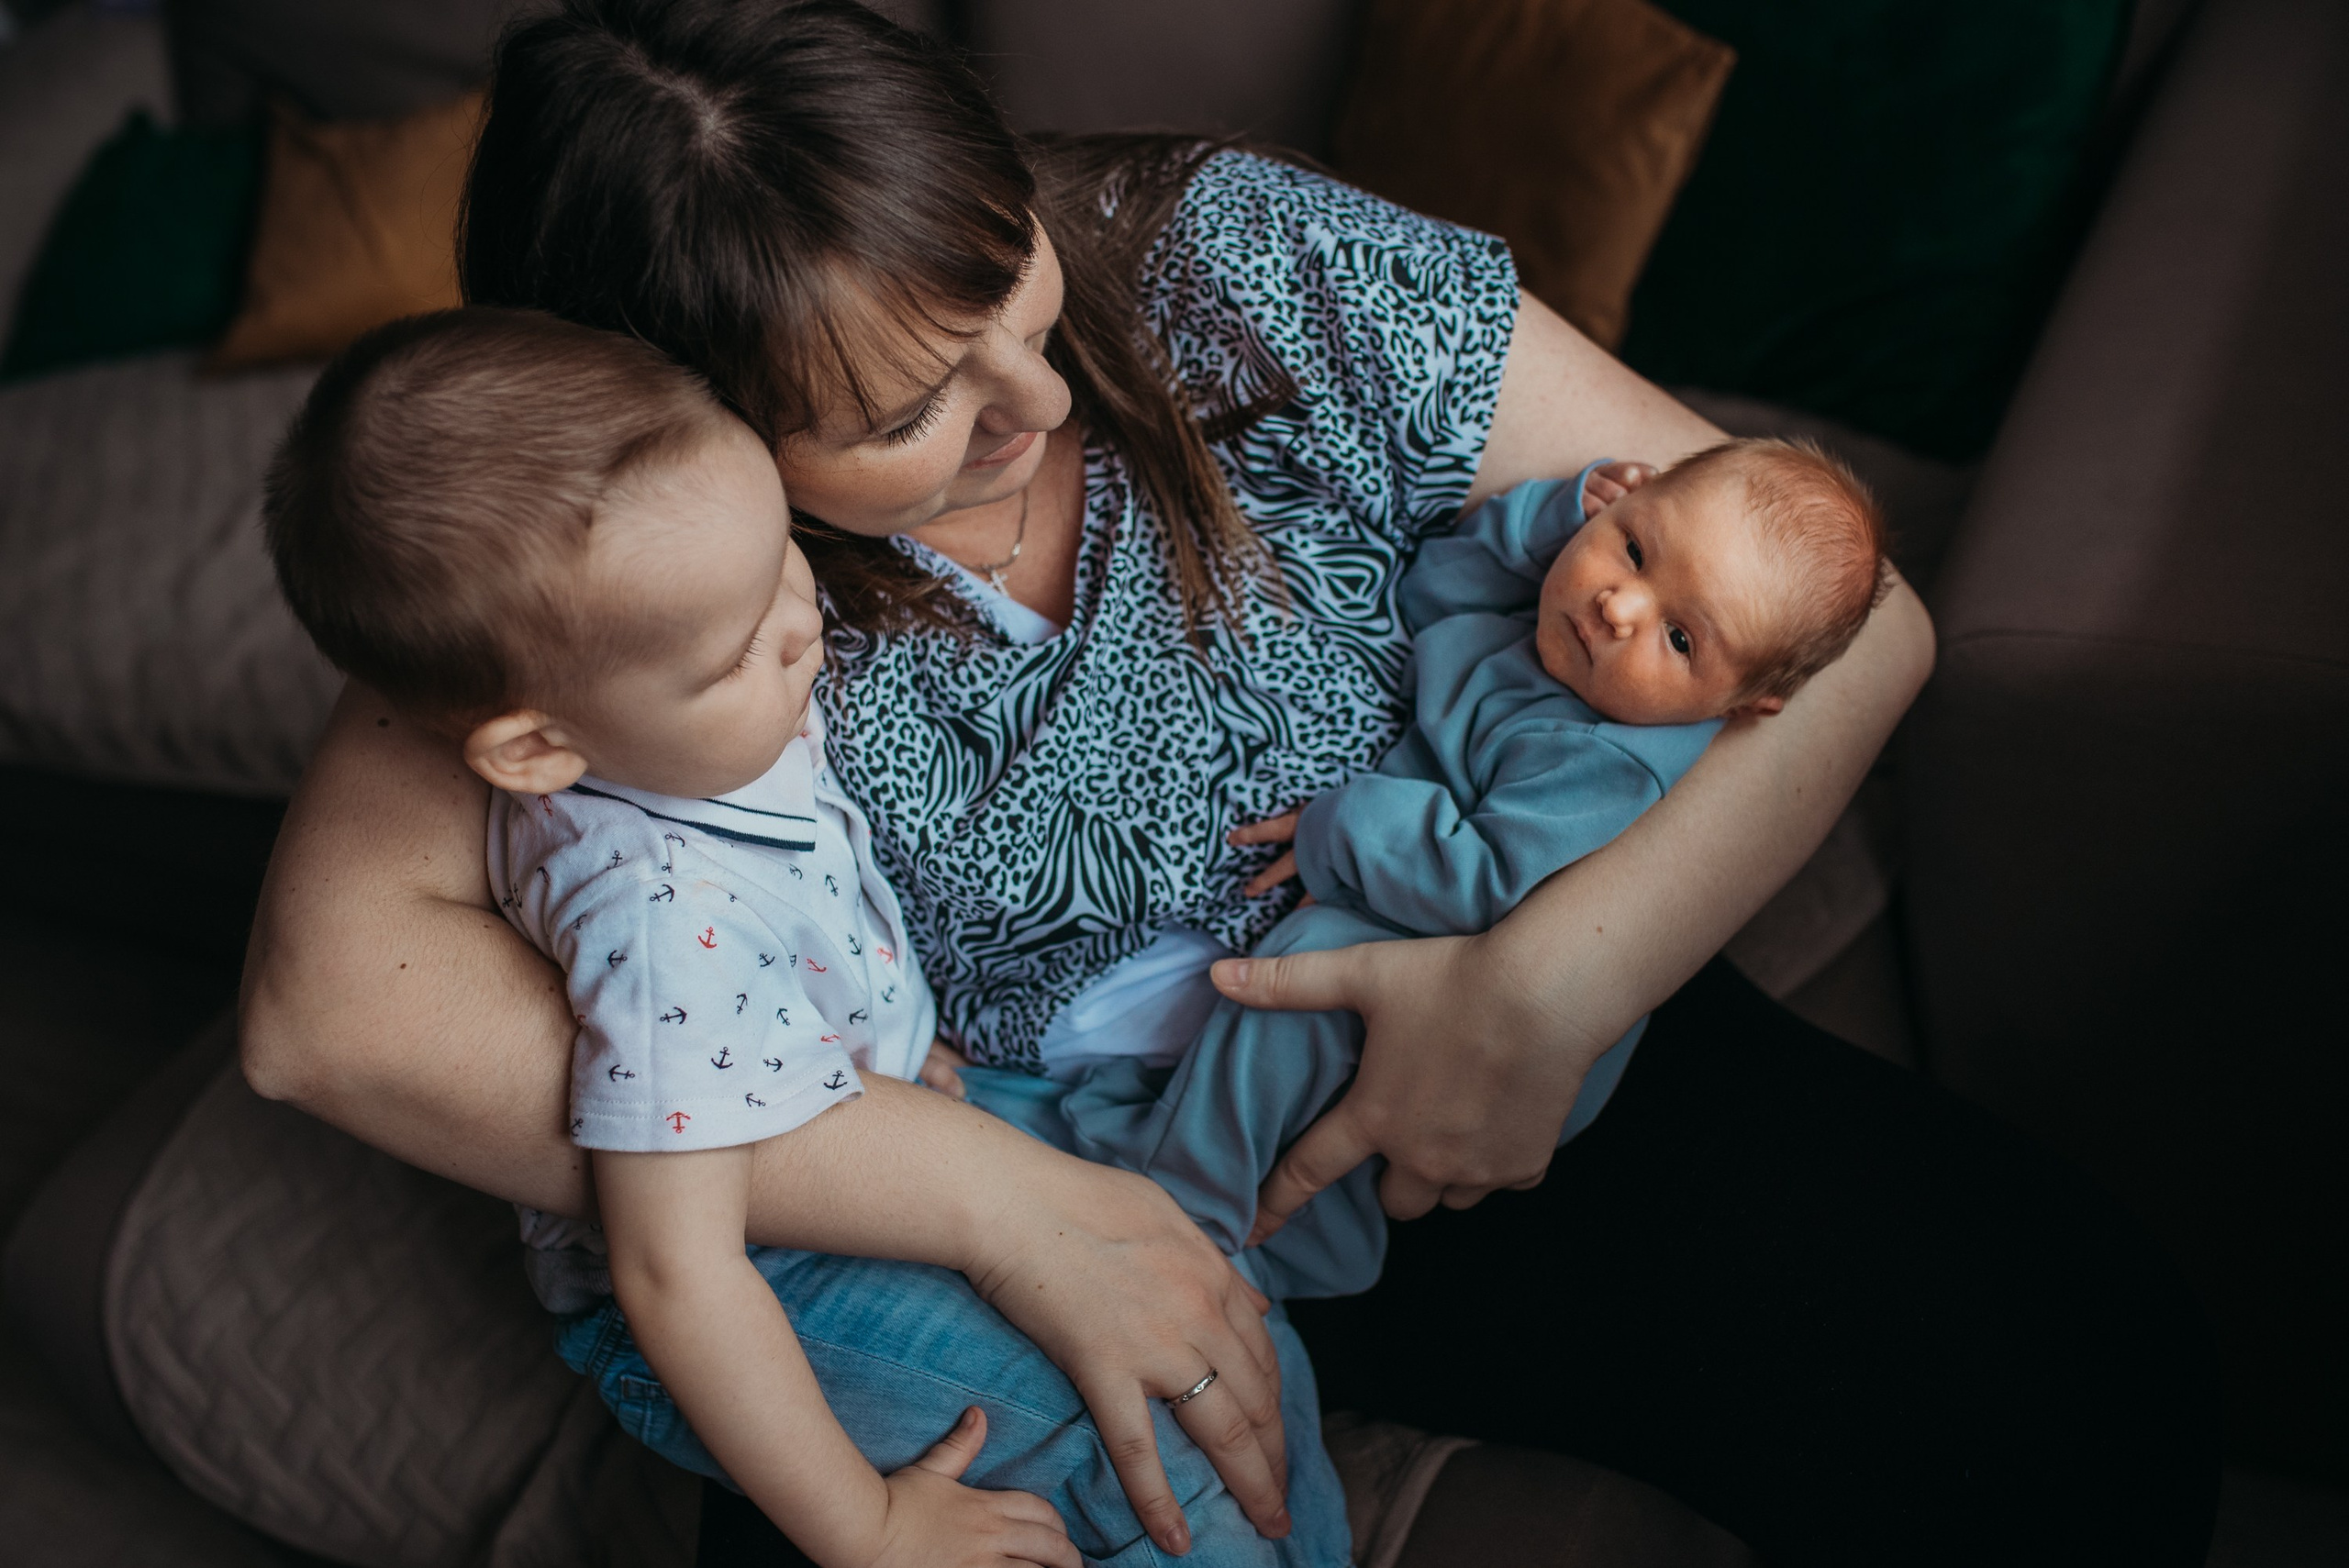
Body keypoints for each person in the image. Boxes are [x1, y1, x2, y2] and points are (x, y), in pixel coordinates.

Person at [238, 2, 2221, 1563]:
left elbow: (1853, 626)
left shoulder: (1218, 255)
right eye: (902, 411)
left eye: (1004, 291)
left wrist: (1536, 998)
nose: (1033, 402)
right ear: (663, 423)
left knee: (2074, 1368)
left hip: (1438, 1011)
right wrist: (1014, 1204)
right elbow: (326, 1017)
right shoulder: (613, 551)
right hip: (1014, 1148)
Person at [260, 306, 1347, 1568]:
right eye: (730, 652)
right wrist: (869, 1526)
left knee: (1230, 1322)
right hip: (765, 1286)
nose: (796, 626)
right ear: (539, 749)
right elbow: (679, 1277)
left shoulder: (699, 704)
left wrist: (886, 1046)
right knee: (1138, 1440)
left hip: (879, 1111)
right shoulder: (664, 913)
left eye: (780, 553)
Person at [987, 439, 1889, 1304]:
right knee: (1291, 1041)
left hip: (1470, 967)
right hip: (1426, 898)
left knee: (1303, 974)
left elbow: (1483, 874)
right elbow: (1430, 592)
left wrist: (1338, 822)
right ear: (1626, 494)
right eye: (1635, 545)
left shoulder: (1611, 757)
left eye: (1682, 639)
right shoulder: (1558, 625)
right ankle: (1299, 1226)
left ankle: (1186, 1198)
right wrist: (1547, 519)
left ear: (1749, 704)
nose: (1620, 605)